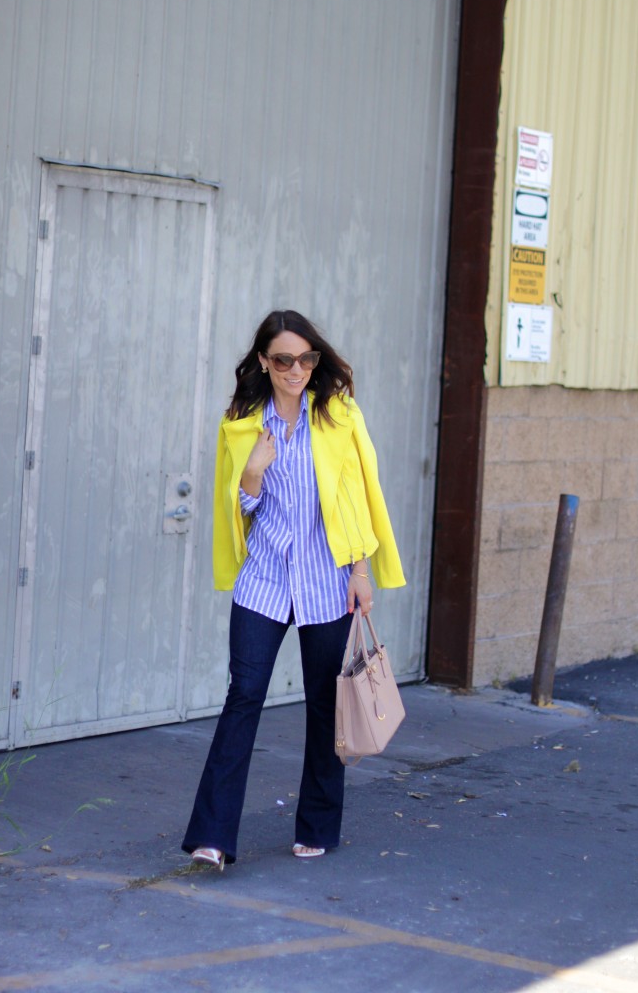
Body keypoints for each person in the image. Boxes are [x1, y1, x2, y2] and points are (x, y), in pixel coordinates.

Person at [182, 309, 405, 869]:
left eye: (306, 358)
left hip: (327, 580)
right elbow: (239, 510)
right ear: (264, 361)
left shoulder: (337, 416)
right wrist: (253, 472)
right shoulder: (241, 422)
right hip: (263, 581)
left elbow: (354, 500)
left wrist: (360, 573)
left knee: (327, 706)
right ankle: (213, 836)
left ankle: (318, 828)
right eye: (284, 359)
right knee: (243, 697)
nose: (296, 369)